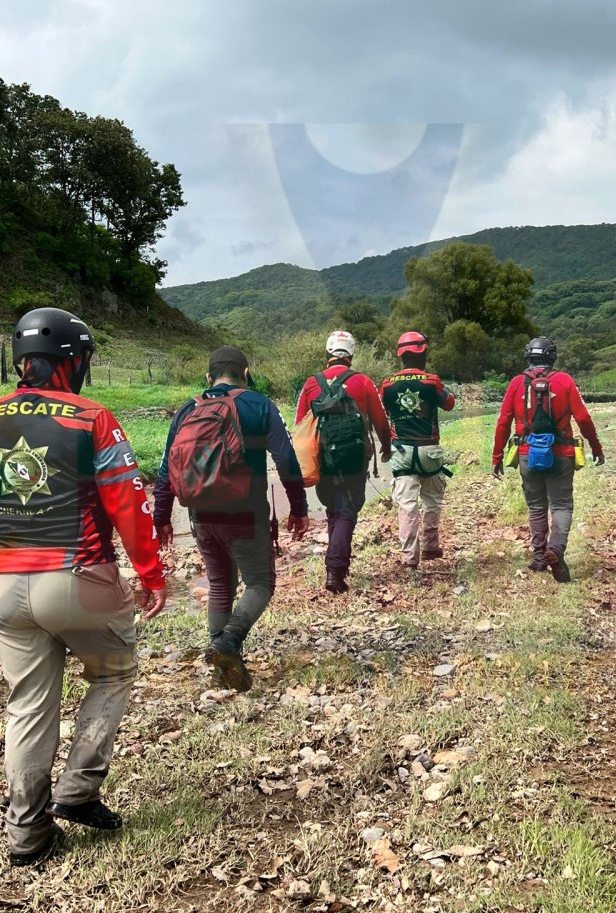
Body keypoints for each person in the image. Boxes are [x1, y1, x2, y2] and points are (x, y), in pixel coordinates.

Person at [0, 308, 166, 868]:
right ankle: (78, 789)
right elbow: (129, 503)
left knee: (28, 703)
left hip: (3, 585)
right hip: (76, 577)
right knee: (114, 670)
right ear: (74, 361)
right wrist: (150, 573)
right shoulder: (91, 417)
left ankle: (27, 834)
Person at [154, 347, 308, 690]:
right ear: (247, 372)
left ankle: (224, 664)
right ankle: (228, 643)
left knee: (221, 585)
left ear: (209, 378)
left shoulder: (187, 409)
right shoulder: (259, 405)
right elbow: (286, 460)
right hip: (245, 514)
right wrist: (299, 508)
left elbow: (166, 469)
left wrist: (162, 517)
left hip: (200, 515)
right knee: (260, 584)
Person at [492, 336, 605, 582]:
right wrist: (596, 447)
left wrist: (497, 456)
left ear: (528, 357)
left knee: (535, 506)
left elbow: (503, 422)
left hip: (526, 454)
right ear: (552, 356)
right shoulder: (564, 381)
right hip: (561, 454)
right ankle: (556, 549)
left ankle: (540, 557)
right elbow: (583, 418)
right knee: (562, 505)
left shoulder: (516, 383)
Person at [295, 331, 391, 594]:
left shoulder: (311, 383)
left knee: (335, 509)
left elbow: (300, 425)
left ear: (327, 354)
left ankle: (336, 566)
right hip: (355, 457)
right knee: (347, 510)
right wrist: (386, 446)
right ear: (351, 355)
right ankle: (335, 571)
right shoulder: (363, 381)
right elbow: (380, 420)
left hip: (323, 458)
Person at [380, 332, 455, 568]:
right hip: (428, 449)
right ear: (423, 353)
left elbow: (385, 411)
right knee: (432, 499)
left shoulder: (387, 384)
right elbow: (449, 403)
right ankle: (431, 546)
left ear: (401, 355)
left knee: (406, 504)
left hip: (401, 451)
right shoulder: (432, 381)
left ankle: (409, 557)